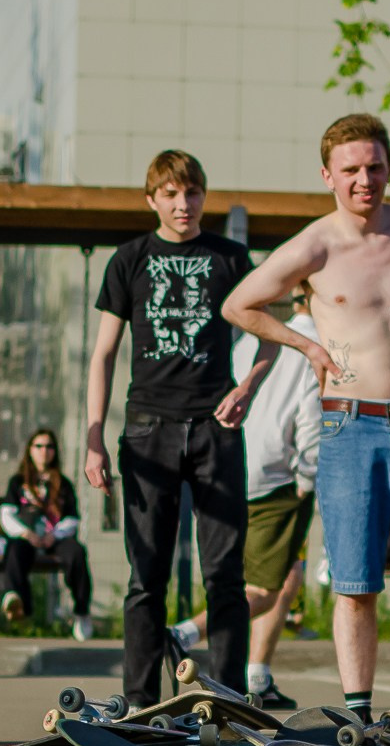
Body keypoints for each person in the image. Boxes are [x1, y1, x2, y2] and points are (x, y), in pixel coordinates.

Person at [222, 113, 390, 746]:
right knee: (356, 584)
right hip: (350, 427)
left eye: (375, 166)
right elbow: (240, 305)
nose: (365, 180)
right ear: (328, 177)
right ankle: (359, 719)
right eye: (351, 170)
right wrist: (305, 348)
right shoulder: (315, 246)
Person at [83, 149, 275, 706]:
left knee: (225, 577)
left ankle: (230, 702)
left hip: (215, 427)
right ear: (152, 200)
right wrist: (94, 435)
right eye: (170, 194)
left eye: (191, 193)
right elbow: (102, 355)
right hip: (147, 428)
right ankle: (140, 705)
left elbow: (271, 335)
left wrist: (246, 388)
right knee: (147, 578)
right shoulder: (129, 259)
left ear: (203, 198)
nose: (182, 204)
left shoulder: (231, 258)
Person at [167, 286, 323, 706]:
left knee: (281, 575)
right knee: (266, 588)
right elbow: (312, 422)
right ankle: (185, 633)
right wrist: (309, 480)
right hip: (277, 479)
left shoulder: (252, 340)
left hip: (228, 465)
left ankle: (258, 675)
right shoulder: (316, 348)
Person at [0, 427, 94, 642]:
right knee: (14, 549)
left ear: (55, 451)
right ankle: (16, 599)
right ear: (30, 450)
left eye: (49, 446)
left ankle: (81, 611)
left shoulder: (63, 484)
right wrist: (25, 533)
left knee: (76, 552)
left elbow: (72, 518)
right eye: (39, 446)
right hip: (27, 536)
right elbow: (6, 514)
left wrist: (55, 535)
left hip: (55, 538)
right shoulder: (18, 482)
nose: (44, 451)